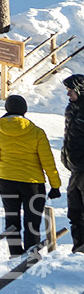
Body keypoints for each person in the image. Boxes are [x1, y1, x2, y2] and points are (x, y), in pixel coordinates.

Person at [0, 94, 62, 255]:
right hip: (32, 184)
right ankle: (31, 256)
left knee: (12, 220)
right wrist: (55, 185)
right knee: (32, 222)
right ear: (25, 110)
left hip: (6, 181)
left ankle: (15, 254)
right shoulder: (36, 132)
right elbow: (48, 161)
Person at [63, 76, 84, 253]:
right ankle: (78, 248)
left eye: (71, 90)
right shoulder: (71, 109)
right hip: (75, 168)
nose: (68, 93)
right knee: (74, 211)